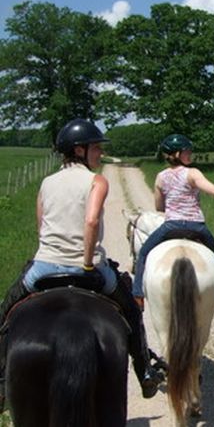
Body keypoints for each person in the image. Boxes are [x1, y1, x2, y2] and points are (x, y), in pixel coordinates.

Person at [0, 119, 165, 408]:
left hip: (44, 266)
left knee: (5, 311)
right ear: (79, 150)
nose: (100, 153)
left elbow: (42, 226)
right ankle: (145, 372)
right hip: (89, 267)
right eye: (96, 148)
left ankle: (2, 383)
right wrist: (87, 264)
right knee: (131, 309)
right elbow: (90, 220)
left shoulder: (47, 182)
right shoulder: (97, 181)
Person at [132, 134, 214, 315]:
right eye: (187, 151)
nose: (190, 154)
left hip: (171, 226)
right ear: (176, 153)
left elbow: (159, 207)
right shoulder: (193, 173)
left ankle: (137, 293)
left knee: (145, 252)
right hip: (197, 226)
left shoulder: (161, 177)